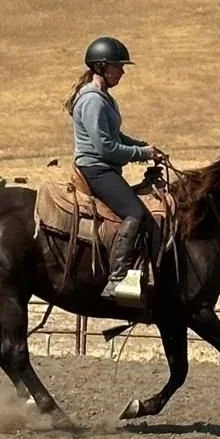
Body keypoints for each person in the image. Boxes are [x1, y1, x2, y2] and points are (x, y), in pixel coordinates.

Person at [64, 36, 165, 305]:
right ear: (102, 67)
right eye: (118, 66)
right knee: (135, 212)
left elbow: (115, 135)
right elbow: (106, 147)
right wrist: (142, 154)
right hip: (96, 168)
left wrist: (143, 146)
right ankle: (117, 279)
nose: (123, 71)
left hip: (104, 167)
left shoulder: (103, 98)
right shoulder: (93, 101)